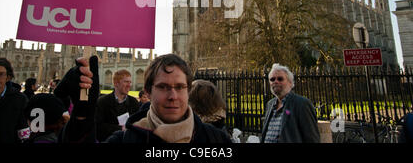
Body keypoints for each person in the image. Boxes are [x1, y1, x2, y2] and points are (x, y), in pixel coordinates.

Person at [102, 54, 232, 143]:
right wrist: (83, 121)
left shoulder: (217, 139)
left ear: (188, 91)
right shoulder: (123, 140)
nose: (173, 96)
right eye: (163, 87)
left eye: (180, 87)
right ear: (148, 92)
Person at [260, 63, 320, 143]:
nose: (276, 81)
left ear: (290, 82)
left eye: (280, 79)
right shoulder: (270, 104)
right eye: (272, 79)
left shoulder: (302, 104)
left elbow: (312, 138)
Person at [94, 69, 140, 142]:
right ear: (116, 83)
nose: (129, 85)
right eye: (126, 82)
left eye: (130, 82)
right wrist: (120, 128)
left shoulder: (134, 102)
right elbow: (97, 127)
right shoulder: (102, 102)